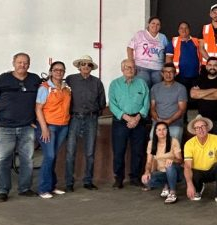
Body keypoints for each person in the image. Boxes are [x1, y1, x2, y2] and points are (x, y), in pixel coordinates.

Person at [0, 53, 42, 202]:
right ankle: (3, 190)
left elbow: (41, 101)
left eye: (25, 62)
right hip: (5, 128)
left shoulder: (35, 79)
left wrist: (36, 121)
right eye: (19, 62)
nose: (22, 65)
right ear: (13, 63)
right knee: (3, 160)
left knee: (27, 159)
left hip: (27, 127)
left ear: (29, 64)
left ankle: (24, 188)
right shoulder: (3, 79)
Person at [64, 55, 106, 192]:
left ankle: (88, 181)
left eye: (89, 64)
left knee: (90, 152)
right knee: (70, 152)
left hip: (91, 119)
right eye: (83, 64)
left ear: (91, 67)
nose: (86, 66)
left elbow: (102, 102)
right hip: (74, 118)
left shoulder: (97, 82)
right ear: (79, 66)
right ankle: (69, 183)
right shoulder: (70, 79)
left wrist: (94, 113)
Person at [108, 59, 150, 189]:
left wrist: (137, 118)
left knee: (138, 151)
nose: (130, 70)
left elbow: (146, 102)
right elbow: (112, 104)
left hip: (139, 120)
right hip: (121, 121)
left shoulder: (142, 83)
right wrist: (127, 118)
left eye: (132, 67)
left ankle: (135, 178)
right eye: (127, 67)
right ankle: (119, 178)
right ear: (122, 69)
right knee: (119, 151)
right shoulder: (114, 84)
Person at [34, 61, 71, 199]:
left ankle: (52, 186)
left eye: (61, 70)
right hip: (49, 126)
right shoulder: (45, 88)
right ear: (50, 72)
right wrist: (44, 128)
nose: (59, 72)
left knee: (53, 156)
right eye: (56, 70)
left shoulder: (66, 88)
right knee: (49, 156)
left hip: (63, 126)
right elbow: (38, 109)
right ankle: (43, 189)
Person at [183, 115, 217, 203]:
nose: (200, 129)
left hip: (213, 171)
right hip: (198, 173)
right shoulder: (189, 144)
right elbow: (187, 166)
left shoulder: (216, 139)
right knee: (190, 170)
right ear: (194, 130)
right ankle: (198, 188)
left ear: (207, 128)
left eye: (202, 126)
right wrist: (189, 185)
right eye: (197, 128)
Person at [190, 57, 217, 142]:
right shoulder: (200, 79)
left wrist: (201, 94)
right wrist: (214, 90)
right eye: (210, 65)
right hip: (203, 120)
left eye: (215, 65)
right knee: (204, 144)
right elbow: (193, 94)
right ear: (206, 66)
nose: (212, 67)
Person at [141, 121, 183, 204]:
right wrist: (147, 172)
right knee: (146, 180)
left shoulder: (173, 141)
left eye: (164, 129)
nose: (161, 132)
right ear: (155, 132)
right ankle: (166, 184)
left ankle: (172, 193)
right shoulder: (151, 143)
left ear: (167, 131)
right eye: (159, 130)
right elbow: (149, 162)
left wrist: (173, 160)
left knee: (169, 166)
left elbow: (180, 160)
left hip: (175, 171)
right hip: (162, 172)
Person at [127, 16, 171, 86]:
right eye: (153, 23)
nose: (155, 26)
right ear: (148, 24)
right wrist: (131, 62)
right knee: (143, 88)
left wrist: (166, 67)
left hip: (158, 69)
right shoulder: (140, 34)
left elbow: (168, 53)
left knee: (157, 89)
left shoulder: (163, 37)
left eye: (158, 24)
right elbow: (130, 48)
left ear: (160, 26)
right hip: (141, 67)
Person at [149, 64, 187, 140]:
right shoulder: (155, 88)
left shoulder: (181, 88)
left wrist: (169, 121)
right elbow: (152, 107)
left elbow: (182, 110)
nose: (168, 74)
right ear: (162, 74)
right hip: (158, 123)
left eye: (171, 72)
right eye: (165, 72)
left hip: (175, 123)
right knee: (152, 138)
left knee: (174, 140)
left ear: (175, 74)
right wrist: (158, 119)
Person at [166, 21, 208, 91]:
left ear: (189, 30)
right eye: (181, 28)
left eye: (186, 28)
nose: (184, 30)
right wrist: (170, 72)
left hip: (195, 75)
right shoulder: (173, 41)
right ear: (178, 30)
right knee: (182, 95)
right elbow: (168, 58)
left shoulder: (196, 41)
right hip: (179, 76)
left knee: (194, 96)